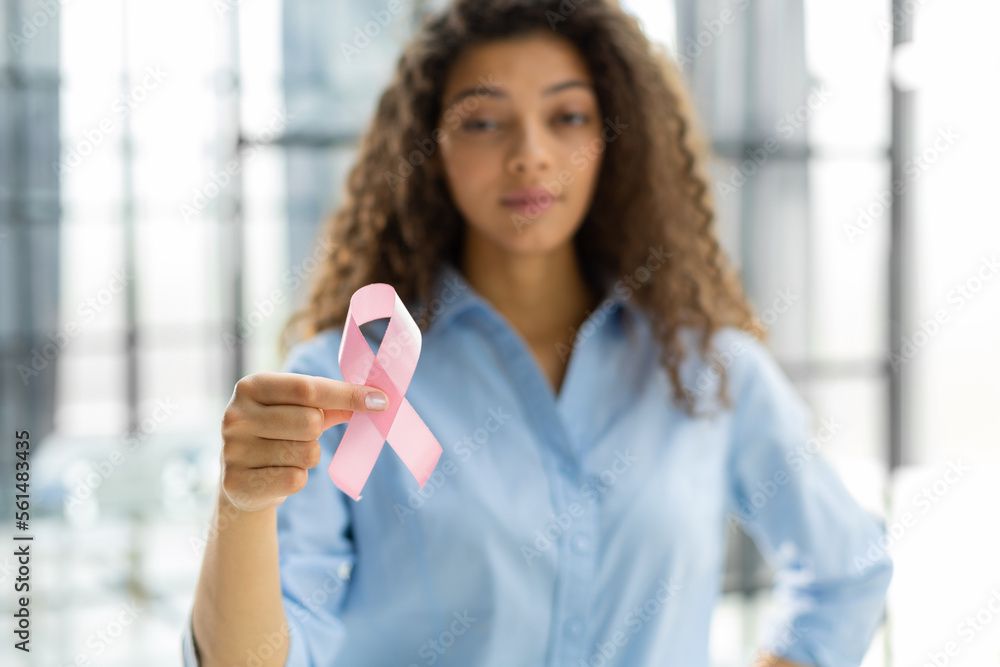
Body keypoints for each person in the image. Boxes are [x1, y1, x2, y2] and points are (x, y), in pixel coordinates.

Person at [183, 1, 893, 665]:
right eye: (484, 122)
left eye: (569, 117)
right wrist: (240, 503)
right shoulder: (351, 377)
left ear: (616, 137)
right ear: (431, 147)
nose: (530, 154)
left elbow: (847, 573)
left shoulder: (707, 368)